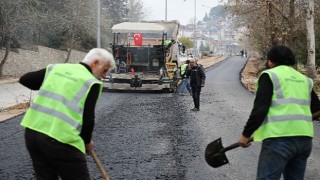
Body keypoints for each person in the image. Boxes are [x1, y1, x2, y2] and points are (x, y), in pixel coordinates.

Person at [20, 48, 115, 180]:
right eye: (104, 70)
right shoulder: (90, 82)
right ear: (95, 63)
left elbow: (25, 79)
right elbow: (87, 120)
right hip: (61, 140)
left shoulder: (56, 69)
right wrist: (86, 142)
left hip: (33, 134)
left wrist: (54, 84)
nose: (104, 76)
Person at [238, 45, 320, 180]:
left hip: (279, 139)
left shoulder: (270, 75)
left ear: (270, 61)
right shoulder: (304, 80)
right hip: (304, 140)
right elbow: (317, 109)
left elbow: (260, 109)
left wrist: (245, 135)